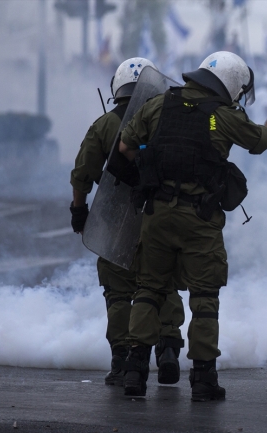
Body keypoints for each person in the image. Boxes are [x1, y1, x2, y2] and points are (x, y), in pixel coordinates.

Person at [117, 51, 267, 399]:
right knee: (204, 295)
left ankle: (134, 373)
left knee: (148, 289)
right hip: (199, 219)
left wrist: (153, 170)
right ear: (232, 84)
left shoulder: (159, 104)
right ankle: (203, 379)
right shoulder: (221, 116)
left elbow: (125, 146)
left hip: (157, 215)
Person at [70, 57, 186, 387]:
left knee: (118, 293)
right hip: (160, 217)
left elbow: (81, 177)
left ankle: (122, 361)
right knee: (161, 284)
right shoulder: (171, 120)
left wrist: (79, 213)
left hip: (113, 220)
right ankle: (167, 351)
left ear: (117, 88)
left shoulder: (104, 125)